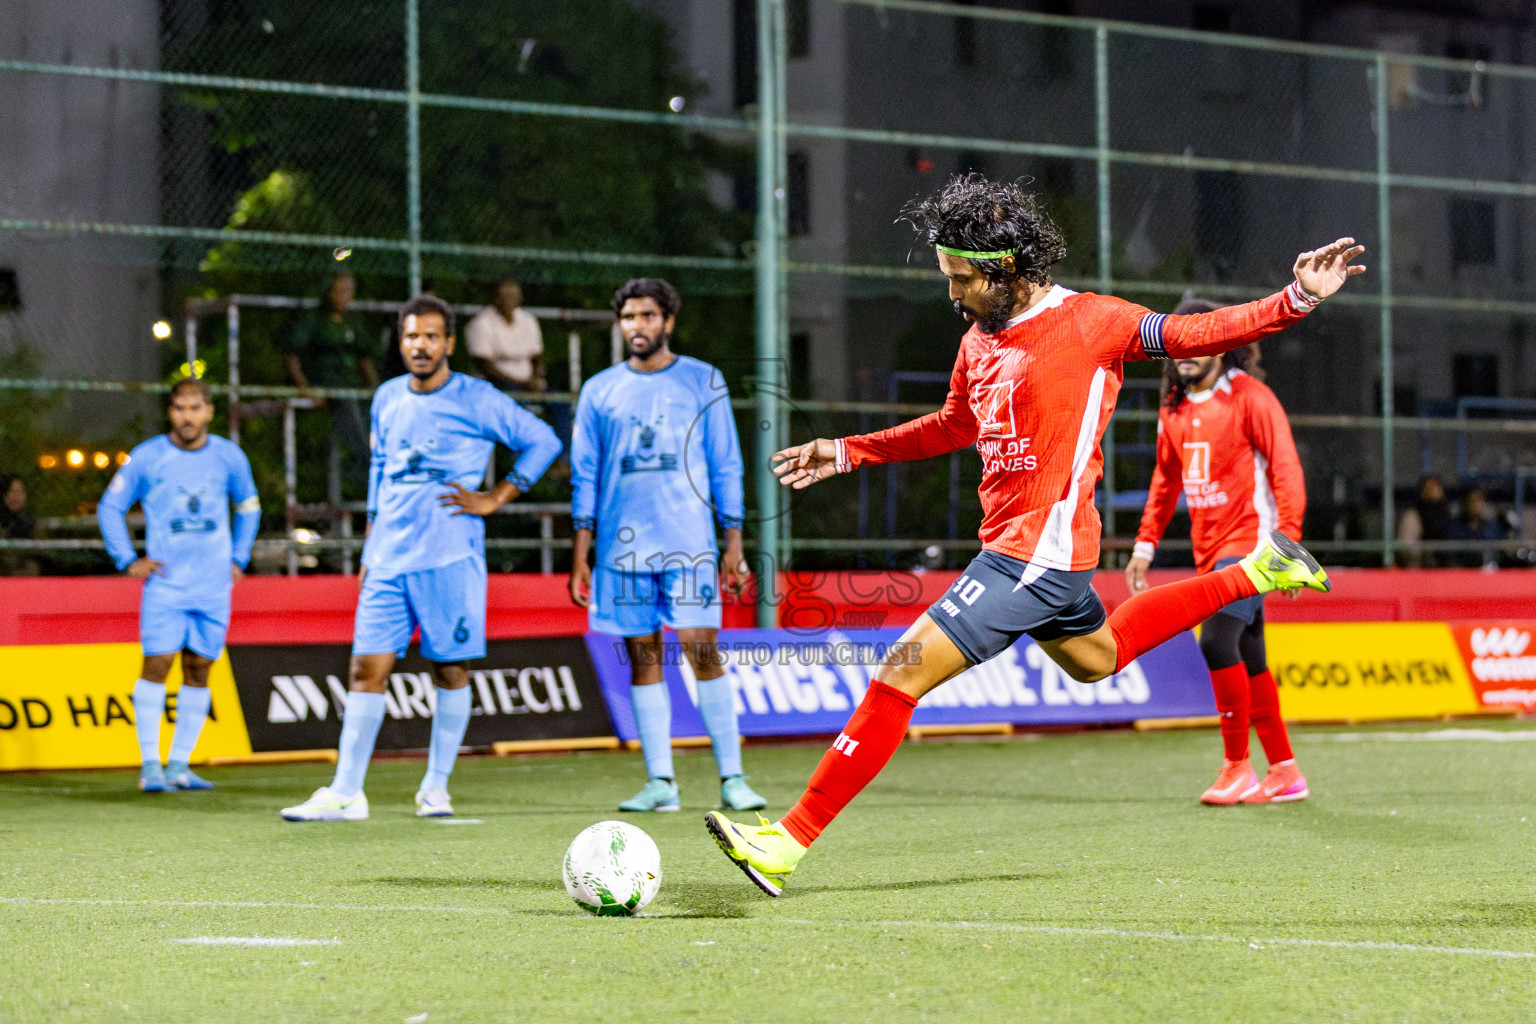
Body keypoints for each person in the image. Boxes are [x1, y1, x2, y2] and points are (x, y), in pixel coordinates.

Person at [704, 173, 1365, 897]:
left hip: (1034, 550)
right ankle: (1259, 571)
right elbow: (956, 425)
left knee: (901, 670)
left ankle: (788, 840)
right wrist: (852, 449)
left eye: (961, 280)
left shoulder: (1092, 322)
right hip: (1031, 550)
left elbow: (1192, 333)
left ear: (1006, 269)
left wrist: (1294, 299)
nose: (952, 295)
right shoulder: (977, 342)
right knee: (1097, 656)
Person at [280, 295, 561, 822]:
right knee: (366, 668)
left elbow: (542, 440)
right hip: (387, 559)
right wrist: (370, 544)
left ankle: (435, 787)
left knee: (450, 670)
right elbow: (379, 472)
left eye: (432, 336)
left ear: (449, 343)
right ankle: (346, 792)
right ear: (401, 342)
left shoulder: (478, 397)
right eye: (412, 337)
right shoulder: (386, 397)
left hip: (449, 559)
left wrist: (497, 497)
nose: (421, 346)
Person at [569, 278, 763, 814]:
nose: (638, 326)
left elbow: (726, 463)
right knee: (644, 660)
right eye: (629, 317)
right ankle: (661, 782)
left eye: (648, 316)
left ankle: (733, 778)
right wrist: (581, 549)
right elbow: (584, 473)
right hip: (621, 549)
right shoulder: (599, 391)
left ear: (668, 322)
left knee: (704, 653)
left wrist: (733, 540)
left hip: (689, 545)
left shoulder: (704, 380)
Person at [1126, 305, 1309, 806]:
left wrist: (1287, 546)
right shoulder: (1174, 408)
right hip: (1211, 552)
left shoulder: (1251, 397)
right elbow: (1165, 482)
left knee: (1216, 642)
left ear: (1223, 345)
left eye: (1198, 341)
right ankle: (1286, 773)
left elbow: (1286, 472)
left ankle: (1237, 768)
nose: (1187, 353)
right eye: (1179, 344)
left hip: (1252, 547)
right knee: (1251, 658)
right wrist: (1145, 547)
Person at [98, 378, 260, 793]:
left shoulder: (230, 456)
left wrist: (239, 557)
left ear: (209, 411)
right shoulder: (147, 457)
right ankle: (150, 766)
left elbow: (248, 507)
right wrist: (127, 560)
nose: (187, 417)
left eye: (195, 408)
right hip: (166, 585)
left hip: (213, 586)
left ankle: (180, 766)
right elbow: (110, 506)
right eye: (179, 409)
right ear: (170, 412)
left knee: (200, 668)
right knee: (157, 664)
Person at [281, 271, 380, 483]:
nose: (344, 296)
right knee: (348, 404)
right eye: (339, 291)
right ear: (329, 292)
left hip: (352, 384)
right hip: (327, 384)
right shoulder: (315, 318)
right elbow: (292, 355)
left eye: (348, 291)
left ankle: (373, 460)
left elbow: (364, 357)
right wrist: (306, 388)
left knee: (373, 408)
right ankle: (367, 460)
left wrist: (375, 388)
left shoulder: (352, 320)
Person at [465, 280, 545, 392]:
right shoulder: (481, 322)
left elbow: (536, 356)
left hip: (529, 382)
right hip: (498, 384)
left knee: (559, 403)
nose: (508, 300)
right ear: (495, 298)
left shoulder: (527, 319)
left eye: (513, 296)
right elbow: (483, 365)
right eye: (504, 296)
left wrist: (535, 379)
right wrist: (520, 383)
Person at [1396, 474, 1451, 568]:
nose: (1434, 490)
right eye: (1429, 487)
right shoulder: (1412, 516)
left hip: (1446, 568)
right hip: (1419, 568)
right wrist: (1427, 550)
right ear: (1422, 492)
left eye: (1437, 486)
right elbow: (1405, 547)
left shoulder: (1448, 514)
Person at [1448, 486, 1506, 569]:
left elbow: (1498, 555)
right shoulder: (1453, 528)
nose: (1475, 504)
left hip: (1487, 575)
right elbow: (1450, 558)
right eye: (1471, 500)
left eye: (1479, 500)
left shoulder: (1492, 527)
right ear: (1464, 503)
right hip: (1461, 575)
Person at [0, 474, 40, 575]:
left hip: (27, 577)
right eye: (12, 492)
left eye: (20, 492)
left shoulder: (32, 523)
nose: (16, 496)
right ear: (4, 495)